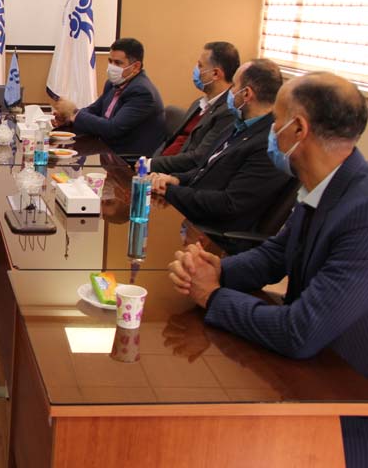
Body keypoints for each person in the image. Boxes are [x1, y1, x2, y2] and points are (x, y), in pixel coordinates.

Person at [167, 71, 368, 467]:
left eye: (276, 120)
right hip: (304, 373)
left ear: (298, 129)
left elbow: (300, 331)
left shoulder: (361, 212)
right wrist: (216, 269)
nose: (271, 131)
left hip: (343, 406)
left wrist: (212, 295)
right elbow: (276, 254)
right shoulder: (325, 183)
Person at [149, 59, 295, 233]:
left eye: (233, 86)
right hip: (192, 216)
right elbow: (205, 169)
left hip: (213, 234)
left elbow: (229, 204)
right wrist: (176, 179)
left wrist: (170, 191)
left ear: (246, 94)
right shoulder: (239, 124)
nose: (229, 92)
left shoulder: (268, 144)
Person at [52, 38, 166, 156]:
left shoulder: (142, 92)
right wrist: (69, 119)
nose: (112, 67)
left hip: (125, 158)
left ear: (136, 66)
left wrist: (74, 113)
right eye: (110, 61)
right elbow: (93, 110)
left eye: (118, 63)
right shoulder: (113, 84)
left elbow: (113, 129)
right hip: (105, 148)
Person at [151, 41, 238, 174]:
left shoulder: (227, 111)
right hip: (157, 170)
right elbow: (171, 141)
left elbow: (198, 158)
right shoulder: (198, 103)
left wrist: (151, 164)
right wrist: (150, 162)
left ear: (215, 74)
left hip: (177, 178)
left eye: (200, 66)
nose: (196, 70)